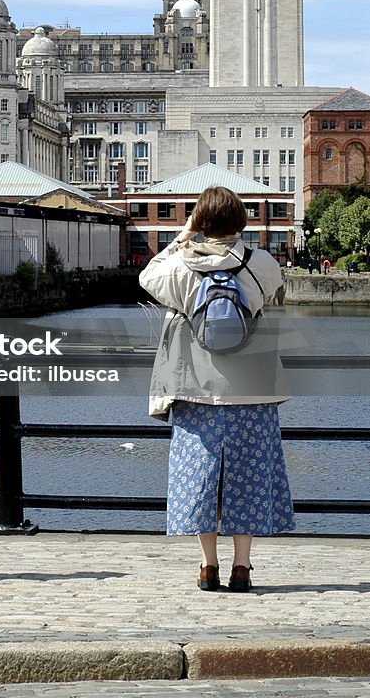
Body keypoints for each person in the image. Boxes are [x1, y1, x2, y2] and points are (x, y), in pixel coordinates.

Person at [139, 186, 295, 593]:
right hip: (253, 388)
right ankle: (242, 568)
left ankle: (208, 566)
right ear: (240, 221)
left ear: (201, 222)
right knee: (249, 476)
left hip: (195, 388)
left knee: (200, 477)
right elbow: (274, 289)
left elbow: (145, 276)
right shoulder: (260, 262)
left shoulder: (180, 267)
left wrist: (184, 234)